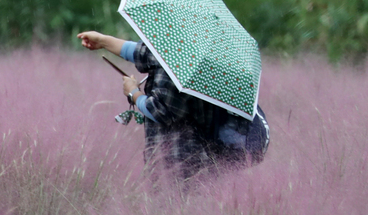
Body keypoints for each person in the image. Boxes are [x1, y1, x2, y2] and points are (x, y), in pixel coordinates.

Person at [78, 30, 262, 186]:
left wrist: (133, 93)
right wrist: (102, 40)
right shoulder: (182, 51)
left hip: (180, 161)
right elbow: (140, 52)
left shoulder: (182, 63)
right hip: (189, 158)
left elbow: (160, 110)